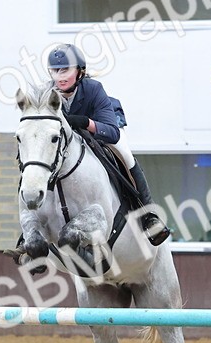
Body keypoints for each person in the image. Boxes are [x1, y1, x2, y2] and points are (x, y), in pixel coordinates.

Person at [45, 44, 170, 245]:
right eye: (55, 70)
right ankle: (30, 227)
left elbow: (112, 132)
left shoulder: (93, 89)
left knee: (124, 152)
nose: (60, 76)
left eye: (65, 70)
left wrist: (86, 122)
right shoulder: (47, 93)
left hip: (100, 132)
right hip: (66, 143)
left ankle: (148, 215)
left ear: (79, 71)